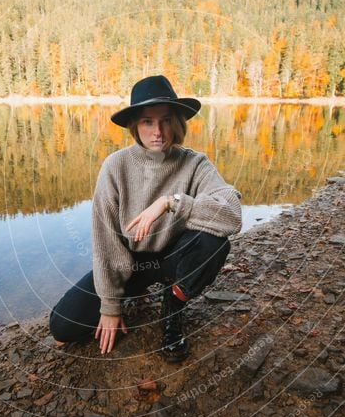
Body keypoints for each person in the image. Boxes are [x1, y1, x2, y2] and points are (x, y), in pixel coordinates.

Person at [49, 75, 242, 362]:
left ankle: (173, 303)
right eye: (147, 122)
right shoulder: (116, 166)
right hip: (132, 263)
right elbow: (106, 242)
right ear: (135, 126)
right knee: (62, 327)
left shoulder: (195, 163)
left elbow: (232, 216)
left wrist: (171, 202)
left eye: (166, 119)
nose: (158, 131)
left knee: (212, 242)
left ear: (178, 122)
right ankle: (135, 292)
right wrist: (111, 306)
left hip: (174, 256)